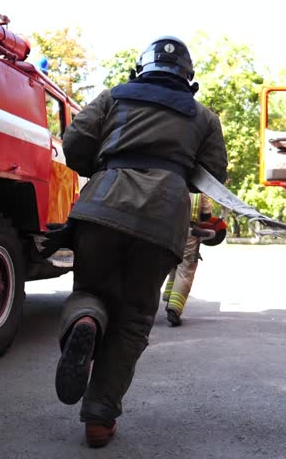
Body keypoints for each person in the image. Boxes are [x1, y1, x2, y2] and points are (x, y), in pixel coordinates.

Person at [40, 36, 227, 448]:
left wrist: (108, 166)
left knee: (90, 291)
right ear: (188, 79)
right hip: (160, 225)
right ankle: (99, 419)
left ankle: (84, 322)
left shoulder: (112, 97)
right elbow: (212, 177)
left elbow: (73, 147)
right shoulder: (204, 117)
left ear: (140, 70)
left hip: (101, 212)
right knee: (134, 319)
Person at [162, 193, 227, 326]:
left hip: (168, 231)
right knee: (185, 271)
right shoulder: (199, 193)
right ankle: (174, 310)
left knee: (171, 264)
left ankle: (168, 296)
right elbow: (206, 217)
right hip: (190, 234)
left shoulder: (171, 183)